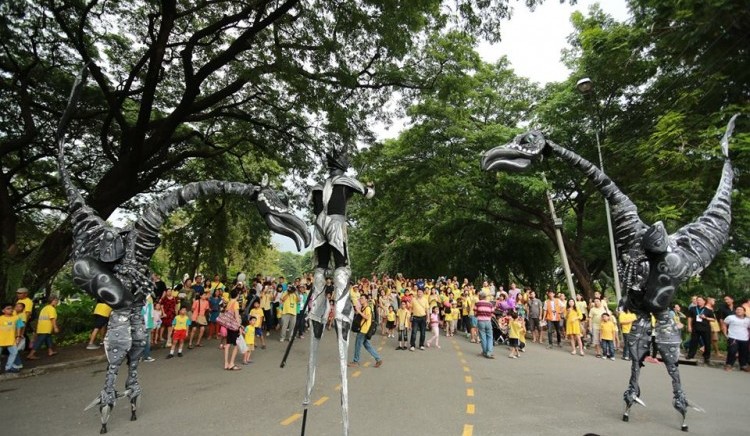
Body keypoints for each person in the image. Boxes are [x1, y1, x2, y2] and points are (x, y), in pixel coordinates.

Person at [348, 296, 383, 368]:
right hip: (362, 330)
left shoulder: (367, 308)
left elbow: (367, 317)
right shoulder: (363, 308)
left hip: (363, 330)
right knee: (367, 346)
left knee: (358, 345)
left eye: (362, 299)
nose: (360, 300)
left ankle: (356, 361)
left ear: (366, 300)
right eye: (360, 298)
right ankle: (378, 359)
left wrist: (359, 312)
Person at [26, 296, 59, 360]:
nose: (56, 302)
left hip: (42, 327)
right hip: (46, 328)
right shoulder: (51, 309)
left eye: (57, 300)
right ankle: (31, 354)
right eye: (55, 300)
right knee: (39, 341)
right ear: (52, 301)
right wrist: (55, 327)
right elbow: (52, 319)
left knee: (48, 338)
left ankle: (50, 351)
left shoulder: (45, 308)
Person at [687, 296, 715, 364]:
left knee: (707, 343)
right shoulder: (692, 308)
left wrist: (705, 317)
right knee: (693, 342)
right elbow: (689, 318)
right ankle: (690, 355)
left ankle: (706, 357)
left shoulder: (708, 310)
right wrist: (689, 326)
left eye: (700, 300)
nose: (698, 301)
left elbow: (713, 319)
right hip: (695, 328)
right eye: (697, 300)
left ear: (704, 301)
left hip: (705, 328)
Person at [721, 306, 749, 372]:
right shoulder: (730, 317)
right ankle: (729, 365)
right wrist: (725, 334)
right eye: (737, 309)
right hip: (733, 337)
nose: (738, 311)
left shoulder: (748, 320)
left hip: (744, 338)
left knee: (743, 353)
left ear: (744, 312)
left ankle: (743, 365)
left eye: (740, 310)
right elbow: (724, 324)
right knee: (732, 351)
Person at [1, 302, 24, 373]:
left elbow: (19, 327)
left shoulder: (16, 318)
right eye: (8, 309)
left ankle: (8, 367)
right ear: (3, 311)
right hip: (1, 340)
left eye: (11, 308)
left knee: (14, 353)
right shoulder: (0, 318)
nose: (10, 310)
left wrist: (18, 336)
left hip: (11, 340)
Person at [223, 289, 242, 370]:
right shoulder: (236, 303)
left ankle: (226, 363)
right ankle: (232, 363)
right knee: (236, 345)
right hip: (234, 326)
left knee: (227, 344)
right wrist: (239, 326)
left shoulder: (229, 302)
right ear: (237, 295)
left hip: (228, 325)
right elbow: (237, 316)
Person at [475, 291, 495, 359]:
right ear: (485, 297)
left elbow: (475, 312)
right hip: (488, 321)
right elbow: (492, 313)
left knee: (483, 337)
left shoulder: (477, 303)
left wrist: (478, 314)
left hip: (480, 321)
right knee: (490, 337)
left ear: (480, 297)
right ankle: (489, 352)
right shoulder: (490, 304)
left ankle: (484, 351)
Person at [141, 295, 156, 362]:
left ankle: (146, 356)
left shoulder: (150, 305)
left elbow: (152, 315)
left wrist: (152, 325)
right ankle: (139, 356)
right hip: (140, 325)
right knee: (139, 341)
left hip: (148, 325)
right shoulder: (139, 306)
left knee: (147, 342)